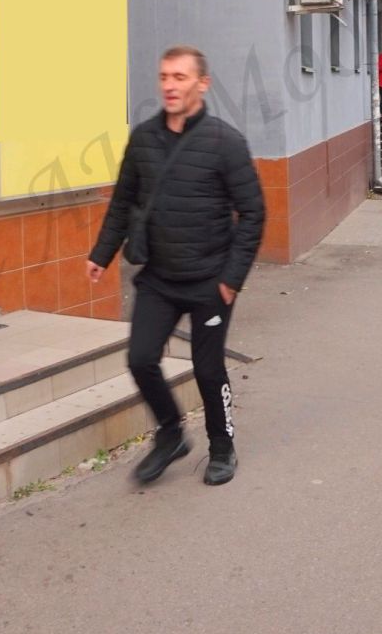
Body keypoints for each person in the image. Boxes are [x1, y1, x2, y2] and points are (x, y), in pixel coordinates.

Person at [87, 45, 265, 486]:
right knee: (140, 359)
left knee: (208, 369)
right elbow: (123, 201)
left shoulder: (225, 142)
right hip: (159, 278)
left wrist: (231, 279)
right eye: (164, 76)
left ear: (202, 84)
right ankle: (170, 434)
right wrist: (101, 254)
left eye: (180, 77)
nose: (169, 85)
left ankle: (222, 447)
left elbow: (253, 213)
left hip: (210, 281)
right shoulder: (144, 138)